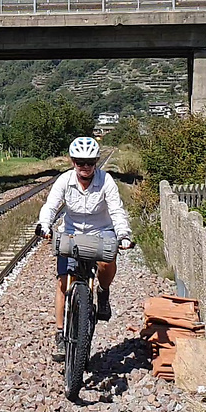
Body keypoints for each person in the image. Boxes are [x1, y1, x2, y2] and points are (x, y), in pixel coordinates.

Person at [37, 136, 133, 363]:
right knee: (63, 281)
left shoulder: (106, 181)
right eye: (80, 162)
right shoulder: (64, 181)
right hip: (71, 232)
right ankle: (60, 333)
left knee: (107, 261)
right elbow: (51, 206)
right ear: (73, 162)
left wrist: (124, 235)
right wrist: (44, 225)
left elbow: (117, 210)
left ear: (96, 162)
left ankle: (103, 292)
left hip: (101, 230)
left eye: (90, 162)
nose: (85, 167)